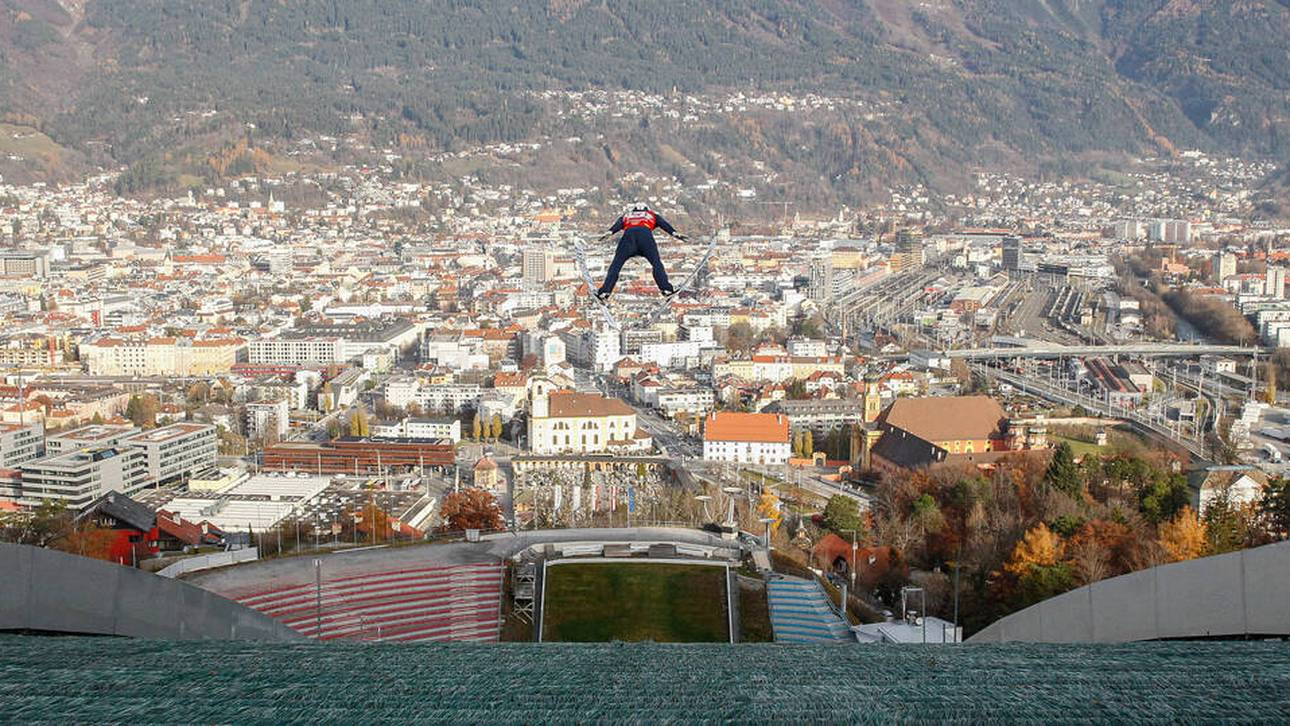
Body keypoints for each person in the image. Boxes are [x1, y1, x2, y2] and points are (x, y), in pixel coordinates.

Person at [595, 203, 688, 302]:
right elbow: (663, 224)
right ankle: (666, 289)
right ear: (647, 209)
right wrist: (674, 233)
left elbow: (618, 224)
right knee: (656, 263)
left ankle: (605, 292)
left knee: (616, 265)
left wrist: (610, 232)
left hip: (628, 238)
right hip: (645, 237)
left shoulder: (627, 215)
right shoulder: (651, 215)